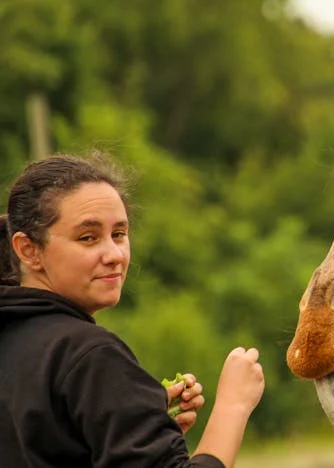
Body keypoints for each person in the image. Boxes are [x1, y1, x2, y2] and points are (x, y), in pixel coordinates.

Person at [0, 154, 265, 467]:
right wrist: (232, 407)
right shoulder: (90, 356)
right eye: (88, 238)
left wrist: (138, 427)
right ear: (28, 250)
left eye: (119, 234)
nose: (114, 255)